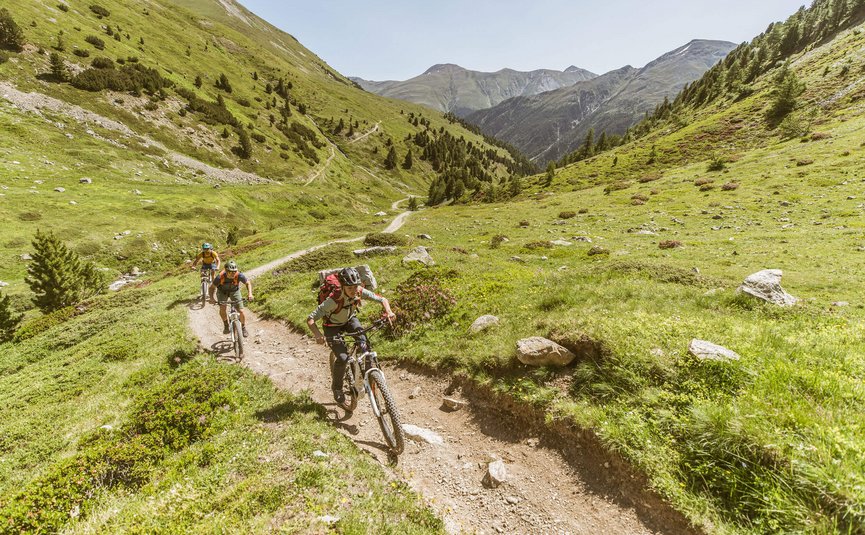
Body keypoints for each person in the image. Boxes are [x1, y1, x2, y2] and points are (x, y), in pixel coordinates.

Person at [307, 267, 396, 403]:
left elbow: (382, 299)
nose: (354, 291)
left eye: (356, 287)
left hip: (349, 320)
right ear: (342, 287)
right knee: (342, 358)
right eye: (350, 288)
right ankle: (337, 388)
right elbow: (311, 319)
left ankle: (368, 373)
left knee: (364, 342)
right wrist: (318, 335)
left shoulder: (358, 291)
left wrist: (389, 312)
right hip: (332, 326)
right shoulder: (333, 300)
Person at [214, 260, 253, 337]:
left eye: (234, 271)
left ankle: (243, 327)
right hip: (222, 292)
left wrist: (250, 294)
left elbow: (248, 283)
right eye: (230, 272)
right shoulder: (220, 277)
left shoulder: (239, 275)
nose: (233, 273)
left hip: (234, 291)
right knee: (222, 308)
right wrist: (211, 298)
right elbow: (212, 287)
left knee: (241, 311)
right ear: (226, 270)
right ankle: (226, 325)